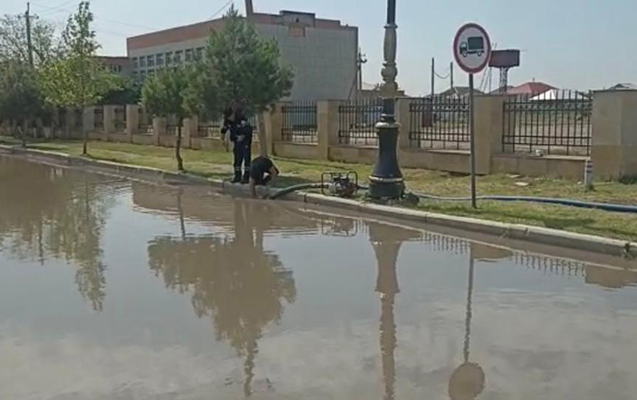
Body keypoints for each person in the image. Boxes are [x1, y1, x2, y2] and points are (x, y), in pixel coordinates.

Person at [221, 106, 253, 184]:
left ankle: (246, 177)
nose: (229, 118)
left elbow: (248, 130)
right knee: (237, 160)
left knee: (246, 159)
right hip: (236, 142)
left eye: (229, 116)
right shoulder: (228, 121)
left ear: (233, 114)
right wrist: (222, 140)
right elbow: (224, 130)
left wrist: (243, 136)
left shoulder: (242, 119)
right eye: (227, 117)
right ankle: (237, 176)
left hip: (245, 142)